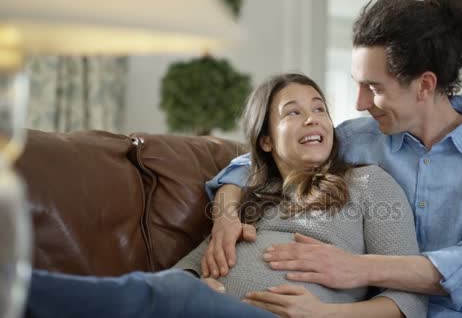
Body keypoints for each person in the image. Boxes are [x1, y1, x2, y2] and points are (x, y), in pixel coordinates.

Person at [202, 0, 462, 318]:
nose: (360, 103)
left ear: (424, 85)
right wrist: (226, 211)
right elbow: (262, 156)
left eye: (373, 87)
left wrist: (359, 267)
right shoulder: (357, 137)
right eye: (357, 85)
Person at [25, 73, 427, 318]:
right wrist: (198, 283)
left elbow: (409, 301)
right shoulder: (249, 201)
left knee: (169, 295)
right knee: (174, 290)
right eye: (293, 111)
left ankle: (17, 290)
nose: (313, 117)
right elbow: (188, 267)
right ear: (266, 141)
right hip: (204, 310)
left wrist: (323, 314)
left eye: (319, 108)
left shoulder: (368, 183)